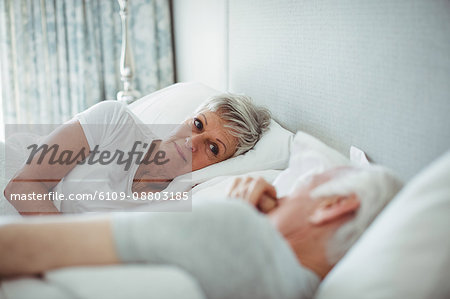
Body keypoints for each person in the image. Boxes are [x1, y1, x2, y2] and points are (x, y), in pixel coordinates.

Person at [0, 165, 402, 299]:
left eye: (301, 188)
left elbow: (19, 247)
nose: (285, 193)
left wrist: (232, 214)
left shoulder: (234, 229)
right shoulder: (295, 287)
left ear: (332, 207)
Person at [3, 94, 271, 214]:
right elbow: (20, 186)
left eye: (213, 148)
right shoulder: (114, 120)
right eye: (198, 124)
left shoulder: (176, 203)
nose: (192, 142)